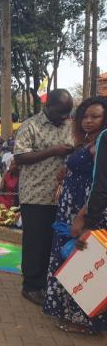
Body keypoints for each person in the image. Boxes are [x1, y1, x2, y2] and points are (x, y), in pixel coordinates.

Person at [43, 97, 107, 335]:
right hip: (70, 208)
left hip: (86, 210)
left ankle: (86, 321)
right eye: (85, 117)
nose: (88, 121)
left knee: (84, 263)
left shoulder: (103, 139)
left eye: (95, 116)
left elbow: (101, 185)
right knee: (71, 261)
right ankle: (72, 313)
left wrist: (84, 218)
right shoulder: (88, 140)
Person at [14, 88, 74, 305]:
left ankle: (47, 283)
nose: (64, 117)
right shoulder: (30, 126)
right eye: (60, 112)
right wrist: (53, 151)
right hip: (36, 195)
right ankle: (30, 286)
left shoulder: (69, 126)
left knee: (52, 242)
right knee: (35, 242)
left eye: (67, 113)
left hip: (61, 196)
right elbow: (20, 157)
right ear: (47, 107)